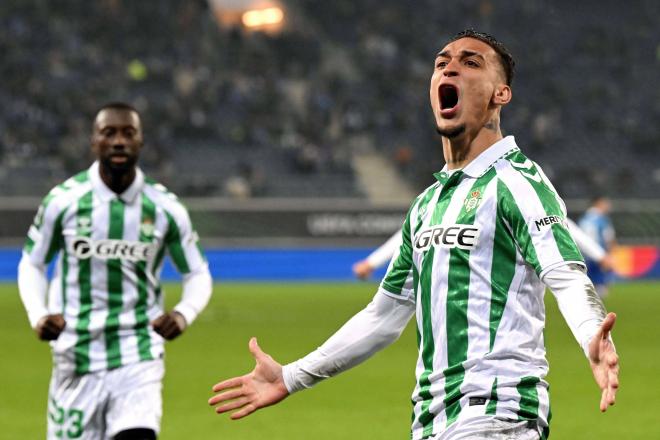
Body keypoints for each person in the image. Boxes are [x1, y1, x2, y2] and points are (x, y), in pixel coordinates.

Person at [208, 30, 619, 439]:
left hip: (497, 414)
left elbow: (565, 275)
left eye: (470, 62)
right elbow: (383, 316)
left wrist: (591, 334)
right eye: (442, 63)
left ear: (500, 94)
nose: (450, 67)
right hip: (433, 423)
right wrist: (291, 376)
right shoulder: (427, 204)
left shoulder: (517, 182)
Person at [18, 102, 213, 440]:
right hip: (75, 352)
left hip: (138, 350)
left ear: (141, 142)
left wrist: (184, 312)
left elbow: (197, 272)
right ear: (94, 142)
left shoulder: (165, 208)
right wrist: (38, 314)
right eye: (109, 133)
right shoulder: (63, 201)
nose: (119, 141)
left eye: (128, 133)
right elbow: (32, 262)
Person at [352, 218, 611, 280]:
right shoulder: (445, 192)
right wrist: (373, 262)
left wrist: (599, 255)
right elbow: (412, 230)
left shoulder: (517, 185)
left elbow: (563, 225)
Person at [579, 196, 616, 298]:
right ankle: (596, 309)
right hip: (599, 255)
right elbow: (608, 237)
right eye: (605, 203)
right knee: (601, 286)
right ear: (598, 203)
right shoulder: (602, 219)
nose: (608, 205)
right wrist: (610, 253)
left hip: (583, 255)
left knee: (587, 283)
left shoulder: (584, 218)